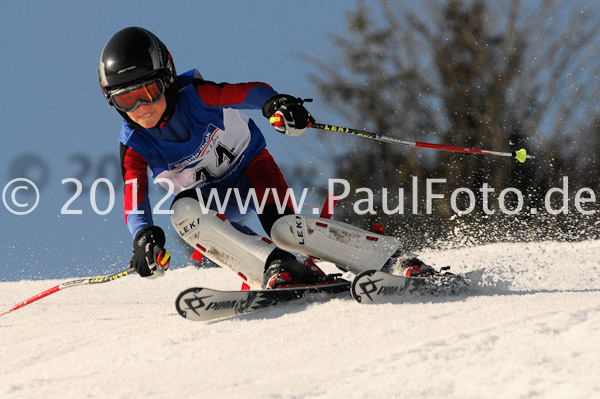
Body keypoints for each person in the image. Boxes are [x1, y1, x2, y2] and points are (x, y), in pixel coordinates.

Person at [98, 27, 433, 289]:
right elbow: (134, 199)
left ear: (167, 78)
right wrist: (144, 237)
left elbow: (248, 92)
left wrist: (275, 104)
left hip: (252, 171)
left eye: (148, 92)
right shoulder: (135, 145)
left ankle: (389, 258)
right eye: (127, 100)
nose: (142, 108)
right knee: (181, 213)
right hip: (212, 204)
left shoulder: (196, 97)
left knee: (284, 228)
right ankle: (278, 265)